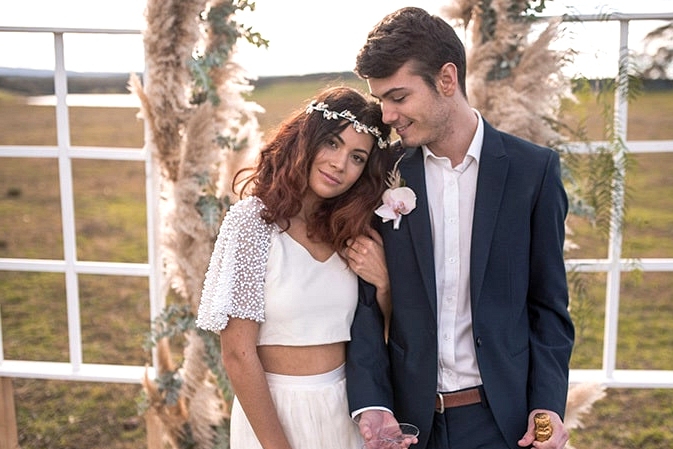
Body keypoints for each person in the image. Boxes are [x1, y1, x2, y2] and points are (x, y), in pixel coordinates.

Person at [344, 7, 575, 449]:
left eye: (398, 97)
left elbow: (548, 306)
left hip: (502, 424)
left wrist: (547, 406)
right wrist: (372, 403)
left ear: (447, 79)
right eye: (381, 101)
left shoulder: (533, 172)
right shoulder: (382, 172)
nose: (387, 116)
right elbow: (365, 304)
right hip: (408, 428)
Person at [195, 86, 393, 449]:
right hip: (276, 413)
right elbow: (237, 354)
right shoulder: (252, 223)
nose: (339, 164)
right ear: (307, 139)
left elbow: (381, 336)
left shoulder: (351, 231)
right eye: (332, 143)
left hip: (347, 409)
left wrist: (384, 286)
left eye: (357, 157)